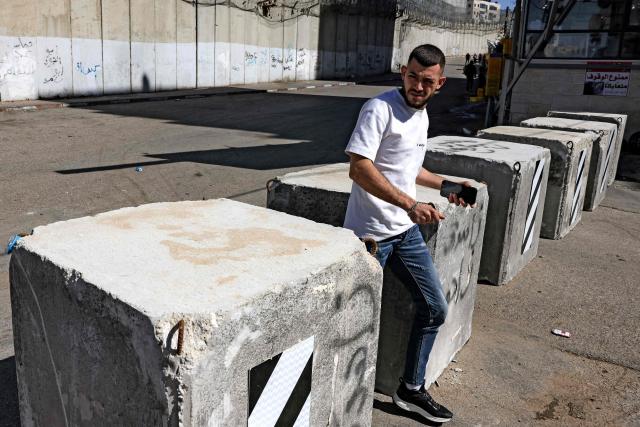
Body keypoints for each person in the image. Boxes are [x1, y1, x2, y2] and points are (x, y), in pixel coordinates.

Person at [343, 44, 476, 423]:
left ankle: (410, 390)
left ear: (440, 83)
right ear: (403, 72)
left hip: (405, 234)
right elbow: (359, 168)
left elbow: (408, 168)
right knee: (352, 324)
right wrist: (410, 205)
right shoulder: (379, 109)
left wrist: (447, 183)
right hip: (369, 238)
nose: (418, 86)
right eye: (413, 76)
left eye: (427, 81)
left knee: (435, 308)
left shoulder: (423, 115)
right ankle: (339, 397)